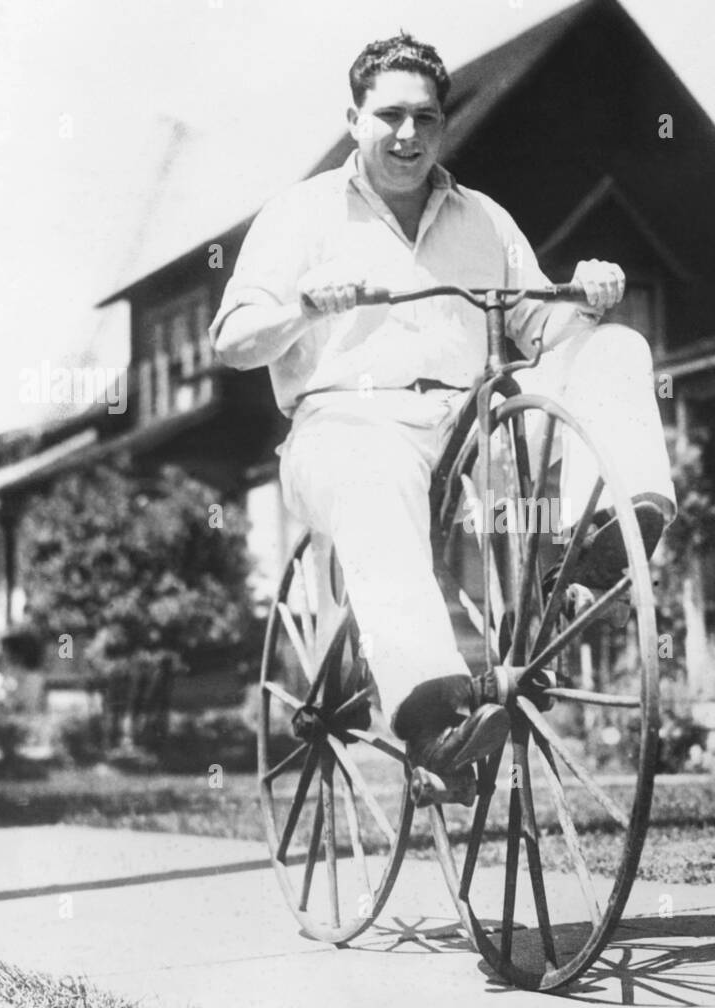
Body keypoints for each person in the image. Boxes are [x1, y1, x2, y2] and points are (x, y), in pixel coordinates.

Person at [212, 32, 675, 790]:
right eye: (390, 115)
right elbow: (232, 340)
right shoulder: (300, 214)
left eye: (426, 119)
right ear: (354, 116)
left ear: (442, 124)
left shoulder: (482, 220)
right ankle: (435, 721)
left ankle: (605, 536)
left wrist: (584, 295)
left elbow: (542, 328)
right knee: (373, 472)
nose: (408, 135)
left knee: (616, 349)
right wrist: (299, 304)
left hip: (470, 432)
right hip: (348, 426)